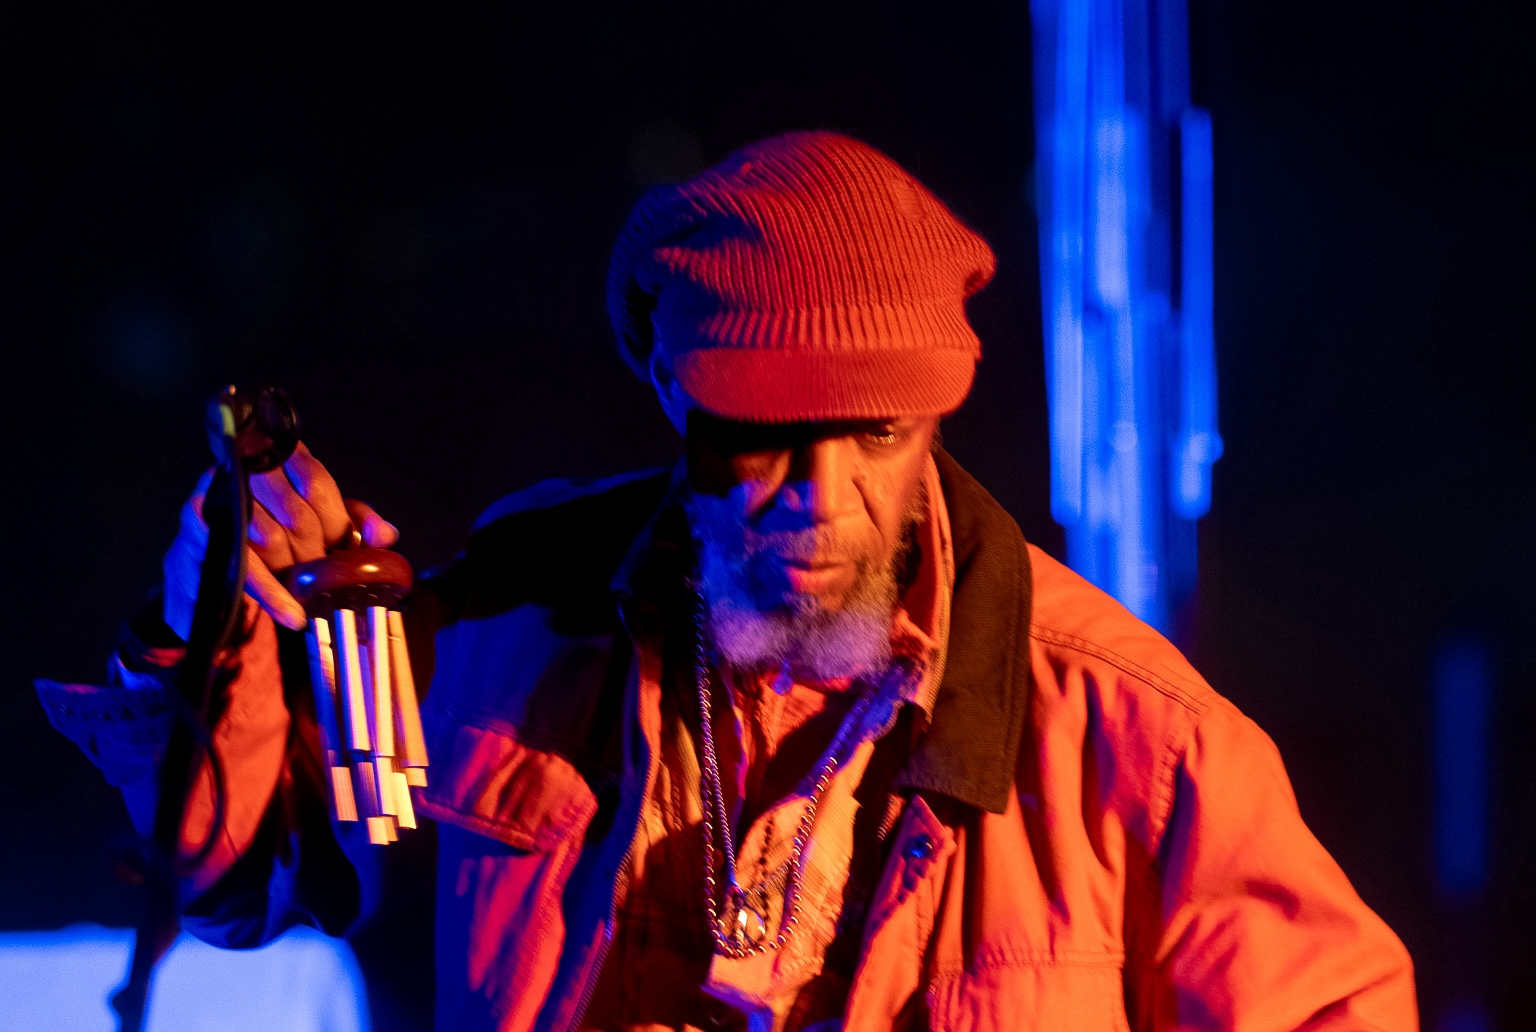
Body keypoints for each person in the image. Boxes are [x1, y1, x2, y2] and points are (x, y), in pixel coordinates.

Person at [41, 132, 1417, 1031]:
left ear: (933, 420)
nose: (819, 493)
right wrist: (196, 632)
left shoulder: (1134, 741)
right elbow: (240, 878)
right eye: (763, 437)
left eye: (873, 433)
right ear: (672, 398)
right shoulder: (511, 630)